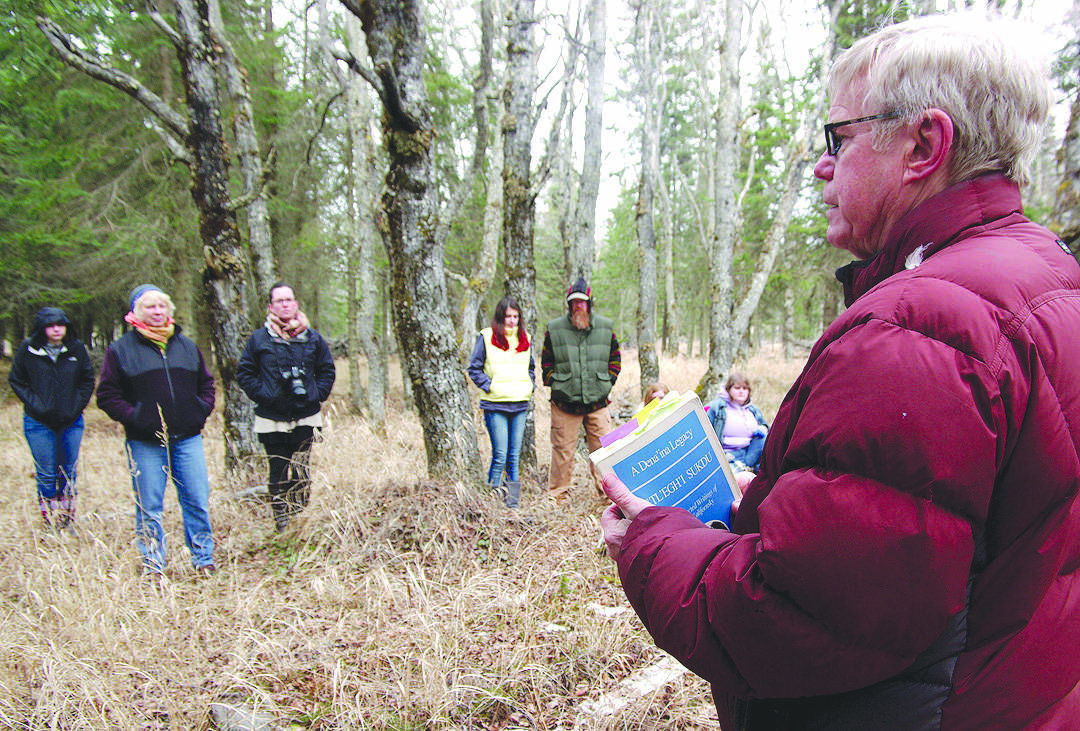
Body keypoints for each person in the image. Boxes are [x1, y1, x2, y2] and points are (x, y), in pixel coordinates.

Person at [600, 14, 1080, 729]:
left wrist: (651, 537)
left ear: (924, 144)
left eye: (839, 138)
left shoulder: (920, 325)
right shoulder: (1049, 274)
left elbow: (801, 620)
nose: (822, 166)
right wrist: (772, 495)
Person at [97, 285, 217, 577]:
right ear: (135, 312)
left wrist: (199, 409)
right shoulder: (120, 350)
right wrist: (136, 417)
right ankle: (153, 565)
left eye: (162, 306)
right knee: (149, 505)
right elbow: (108, 396)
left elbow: (207, 385)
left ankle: (203, 560)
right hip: (145, 442)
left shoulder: (186, 346)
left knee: (197, 500)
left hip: (188, 439)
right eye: (150, 306)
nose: (157, 312)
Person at [237, 282, 336, 532]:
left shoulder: (312, 338)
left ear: (296, 304)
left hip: (306, 414)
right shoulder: (259, 339)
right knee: (278, 468)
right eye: (279, 301)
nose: (284, 304)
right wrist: (264, 395)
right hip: (272, 416)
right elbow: (245, 373)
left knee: (302, 468)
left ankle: (300, 515)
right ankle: (281, 518)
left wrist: (317, 394)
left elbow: (327, 370)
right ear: (271, 306)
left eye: (289, 300)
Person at [9, 307, 95, 528]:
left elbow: (87, 380)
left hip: (71, 421)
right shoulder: (28, 349)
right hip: (38, 422)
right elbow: (17, 380)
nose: (56, 329)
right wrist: (36, 404)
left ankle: (67, 521)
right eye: (51, 325)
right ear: (42, 328)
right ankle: (50, 520)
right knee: (46, 471)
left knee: (68, 471)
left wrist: (75, 406)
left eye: (60, 324)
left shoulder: (76, 349)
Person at [541, 277, 621, 498]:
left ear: (589, 303)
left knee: (603, 453)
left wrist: (606, 382)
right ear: (568, 304)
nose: (578, 306)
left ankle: (609, 497)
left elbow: (615, 358)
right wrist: (555, 383)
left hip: (598, 403)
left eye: (582, 302)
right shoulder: (554, 329)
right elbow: (546, 361)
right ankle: (558, 497)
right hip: (564, 404)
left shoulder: (605, 327)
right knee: (562, 453)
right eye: (574, 302)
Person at [467, 296, 535, 508]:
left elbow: (531, 368)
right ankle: (492, 504)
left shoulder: (526, 338)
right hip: (495, 405)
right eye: (508, 317)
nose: (512, 321)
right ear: (500, 317)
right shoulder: (487, 337)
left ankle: (512, 505)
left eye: (516, 316)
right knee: (500, 454)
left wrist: (529, 385)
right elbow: (474, 368)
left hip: (519, 404)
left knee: (513, 456)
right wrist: (490, 386)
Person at [705, 372, 769, 472]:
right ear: (728, 389)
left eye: (744, 388)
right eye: (737, 388)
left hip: (750, 452)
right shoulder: (717, 407)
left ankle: (747, 467)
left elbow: (765, 426)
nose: (741, 392)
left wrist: (763, 428)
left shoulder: (753, 409)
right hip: (728, 453)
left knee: (765, 439)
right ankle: (740, 468)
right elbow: (704, 430)